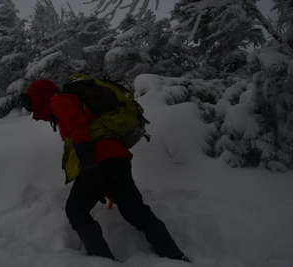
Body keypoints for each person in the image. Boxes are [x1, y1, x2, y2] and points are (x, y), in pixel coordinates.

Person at [21, 78, 190, 262]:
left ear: (40, 97)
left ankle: (103, 261)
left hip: (98, 160)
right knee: (135, 210)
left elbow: (79, 127)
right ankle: (174, 255)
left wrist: (89, 164)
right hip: (117, 158)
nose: (32, 110)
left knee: (76, 211)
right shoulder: (68, 102)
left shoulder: (59, 101)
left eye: (31, 102)